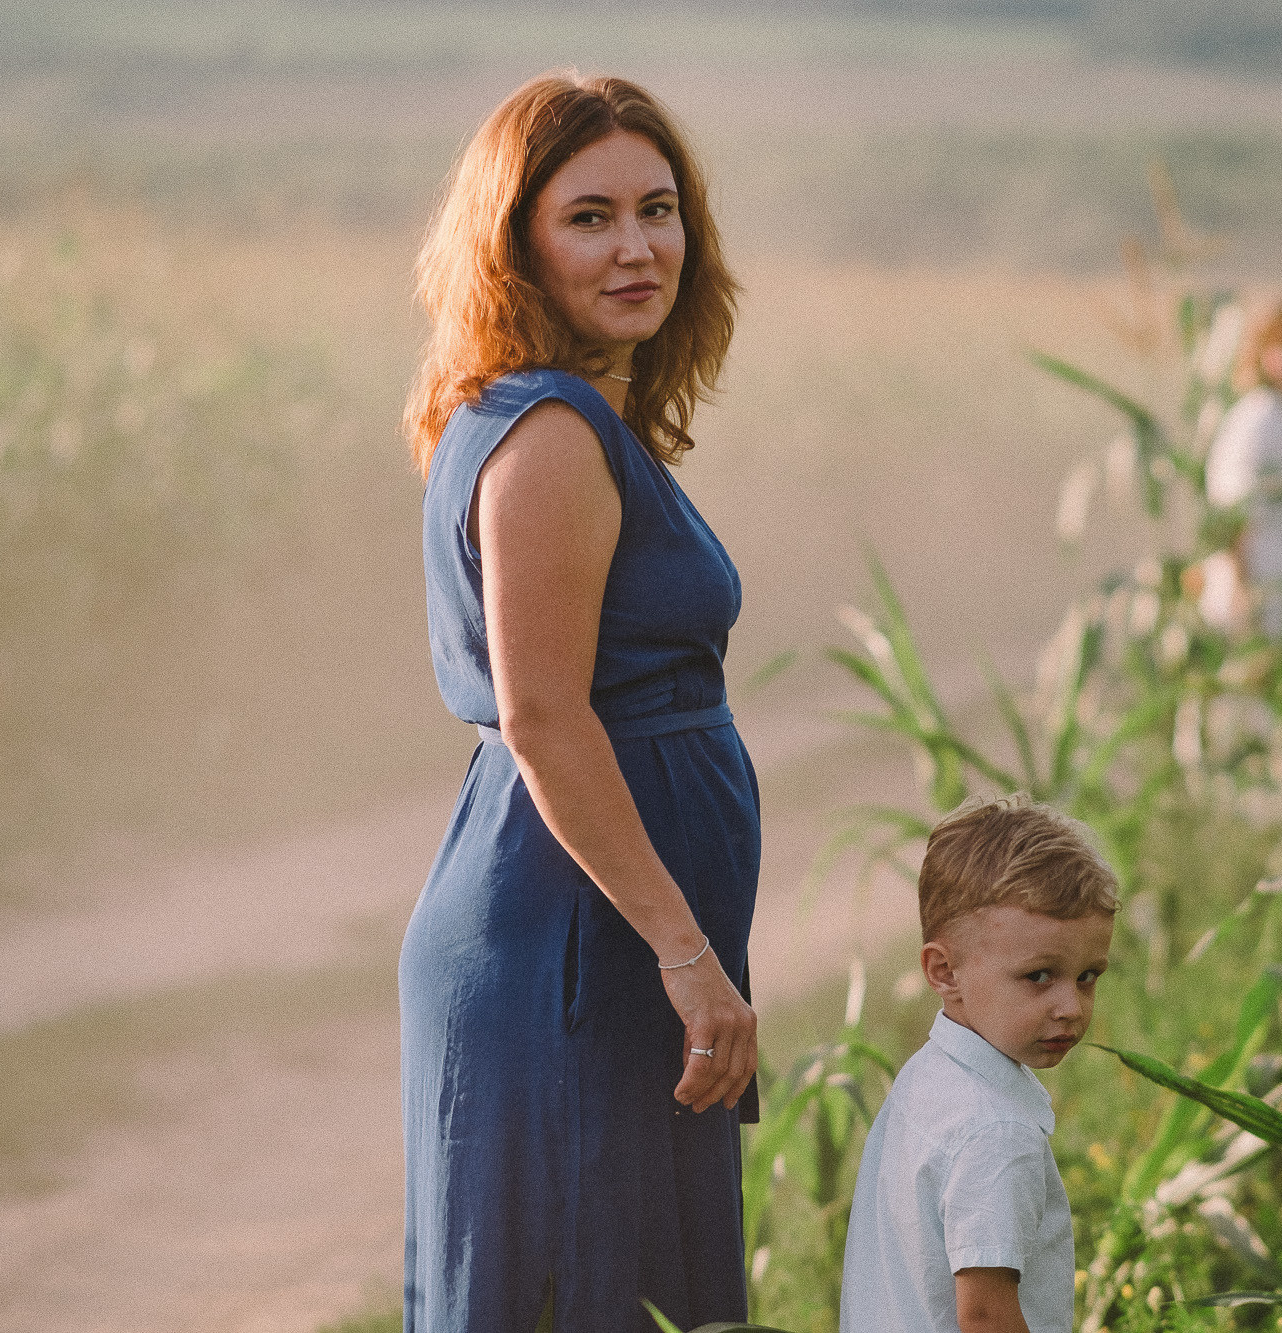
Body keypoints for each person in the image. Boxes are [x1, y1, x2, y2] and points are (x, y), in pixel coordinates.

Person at [398, 72, 759, 1333]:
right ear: (518, 248)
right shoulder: (548, 434)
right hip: (573, 939)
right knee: (578, 1287)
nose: (636, 246)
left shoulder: (576, 417)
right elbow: (544, 716)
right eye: (589, 217)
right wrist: (687, 956)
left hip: (605, 931)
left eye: (657, 210)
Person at [842, 796, 1119, 1333]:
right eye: (1039, 976)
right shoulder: (996, 1132)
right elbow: (987, 1316)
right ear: (944, 972)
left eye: (1087, 976)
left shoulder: (927, 1079)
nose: (1071, 1006)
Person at [1195, 301, 1282, 640]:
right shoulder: (1254, 417)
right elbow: (1231, 505)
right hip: (1253, 573)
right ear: (1264, 353)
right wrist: (1239, 584)